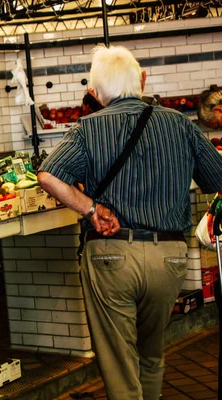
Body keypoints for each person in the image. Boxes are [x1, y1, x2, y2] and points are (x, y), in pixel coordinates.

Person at [37, 45, 222, 400]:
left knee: (120, 362)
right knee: (151, 355)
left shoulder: (87, 129)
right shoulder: (178, 125)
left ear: (94, 93)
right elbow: (218, 179)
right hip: (168, 256)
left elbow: (48, 176)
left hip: (111, 256)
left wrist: (91, 210)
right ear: (142, 79)